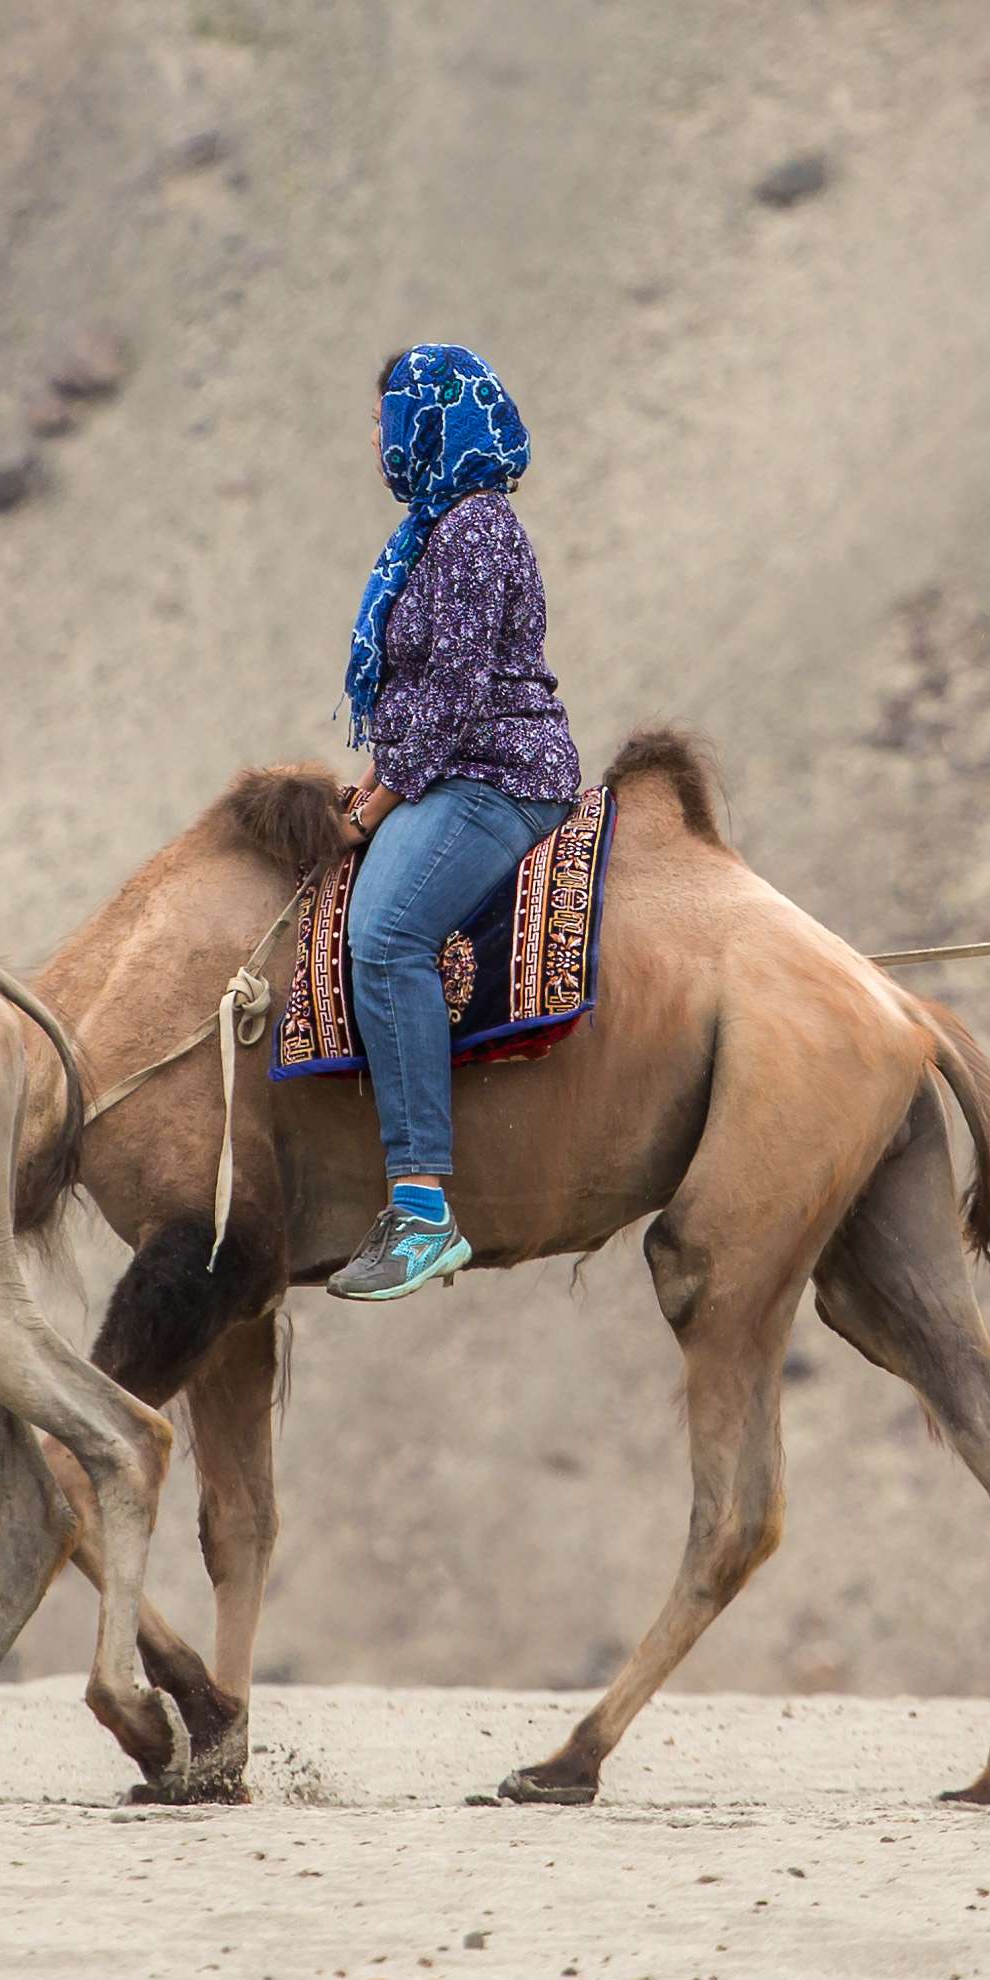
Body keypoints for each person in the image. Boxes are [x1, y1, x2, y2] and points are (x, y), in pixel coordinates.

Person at [324, 342, 586, 1304]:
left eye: (399, 413)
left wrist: (378, 802)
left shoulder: (474, 529)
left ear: (439, 421)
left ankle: (423, 1209)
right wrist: (363, 790)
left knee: (388, 935)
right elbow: (413, 695)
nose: (386, 437)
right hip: (441, 767)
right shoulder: (430, 534)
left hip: (496, 775)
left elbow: (462, 696)